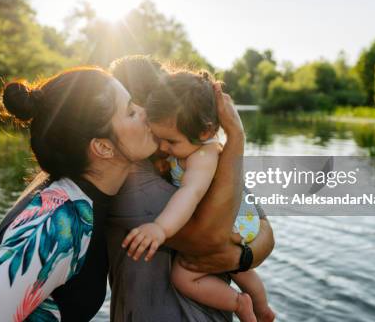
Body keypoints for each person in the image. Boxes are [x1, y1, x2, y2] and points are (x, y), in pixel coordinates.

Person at [0, 66, 158, 321]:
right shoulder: (58, 221)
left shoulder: (81, 192)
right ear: (103, 147)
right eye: (131, 111)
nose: (145, 112)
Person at [107, 56, 275, 321]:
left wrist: (241, 257)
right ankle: (256, 306)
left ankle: (259, 308)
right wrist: (237, 258)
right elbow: (209, 240)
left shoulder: (202, 157)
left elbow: (264, 228)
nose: (161, 142)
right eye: (132, 113)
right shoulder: (124, 177)